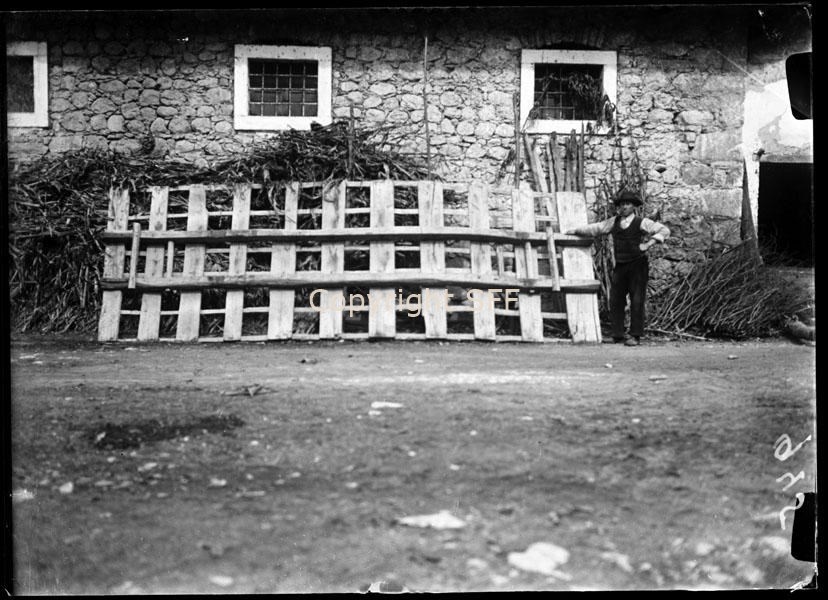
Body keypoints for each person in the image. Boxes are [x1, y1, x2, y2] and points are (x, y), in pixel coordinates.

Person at [565, 189, 670, 346]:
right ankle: (617, 334)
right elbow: (597, 228)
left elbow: (664, 230)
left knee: (637, 300)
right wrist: (576, 230)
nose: (624, 207)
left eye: (627, 204)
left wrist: (648, 244)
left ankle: (635, 335)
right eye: (621, 204)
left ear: (634, 206)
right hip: (621, 265)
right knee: (615, 300)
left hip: (638, 266)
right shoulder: (613, 222)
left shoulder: (642, 222)